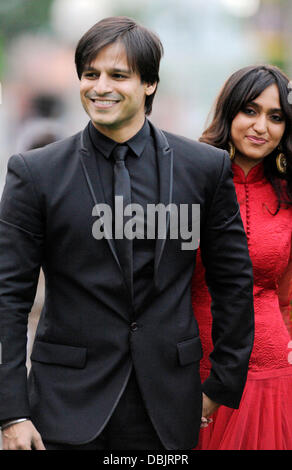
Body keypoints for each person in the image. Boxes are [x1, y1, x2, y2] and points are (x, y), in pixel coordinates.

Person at [0, 16, 254, 451]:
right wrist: (11, 412)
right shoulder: (34, 173)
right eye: (90, 74)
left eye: (118, 75)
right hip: (63, 407)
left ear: (149, 84)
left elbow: (233, 281)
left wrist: (221, 383)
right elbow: (8, 296)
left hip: (169, 407)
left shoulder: (204, 169)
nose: (100, 87)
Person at [192, 64, 292, 450]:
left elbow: (286, 297)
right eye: (250, 110)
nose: (261, 127)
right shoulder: (188, 184)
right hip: (194, 372)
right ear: (228, 112)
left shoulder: (288, 196)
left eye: (276, 117)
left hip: (272, 377)